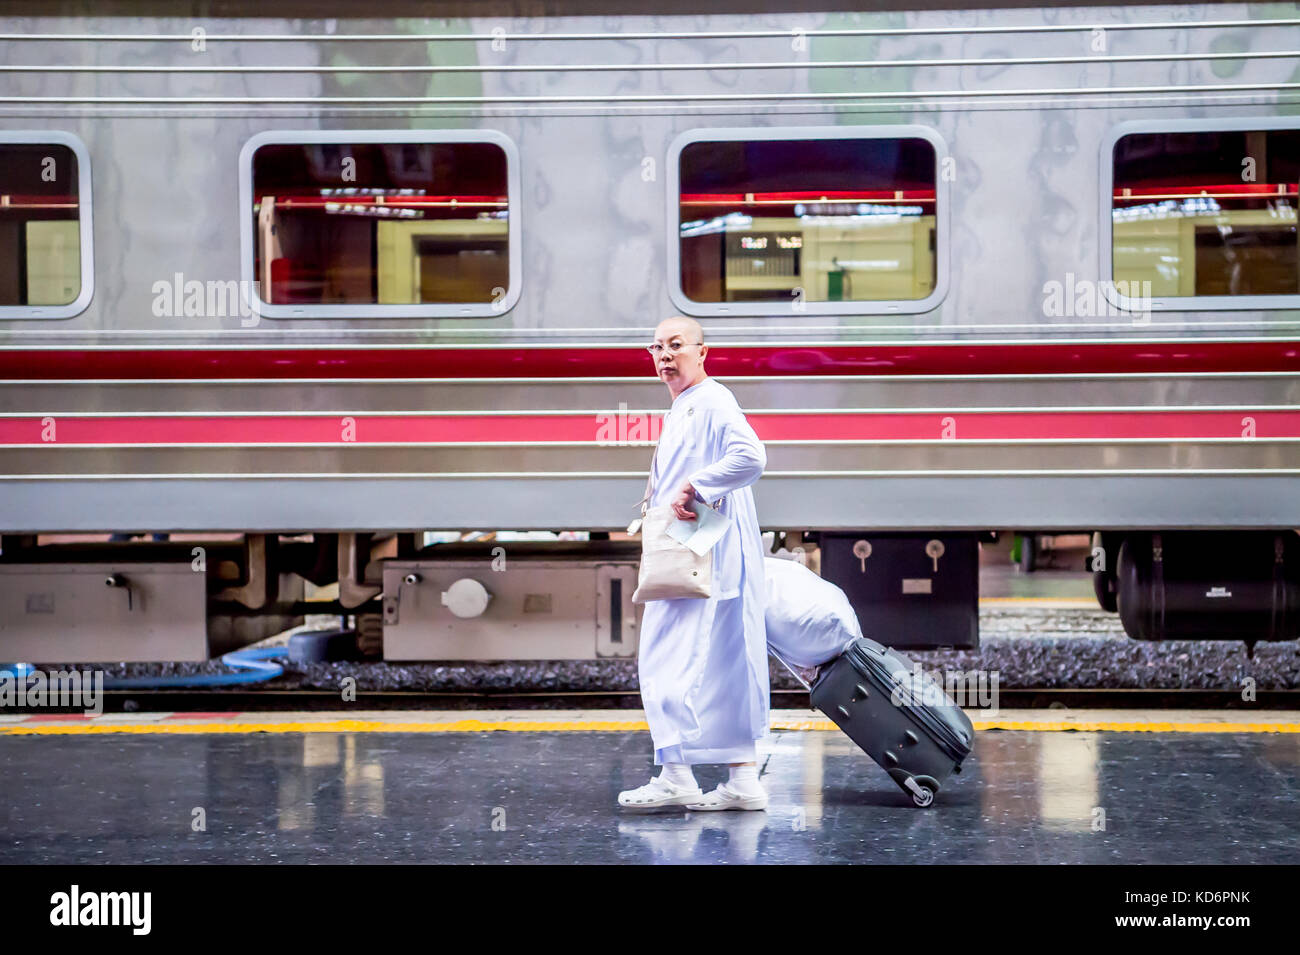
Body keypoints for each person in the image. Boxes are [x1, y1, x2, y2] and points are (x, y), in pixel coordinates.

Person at [618, 316, 771, 812]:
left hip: (698, 546)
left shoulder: (711, 399)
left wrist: (696, 486)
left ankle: (677, 774)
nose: (664, 356)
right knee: (725, 657)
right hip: (710, 546)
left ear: (703, 351)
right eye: (656, 347)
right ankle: (742, 780)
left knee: (663, 654)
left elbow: (752, 458)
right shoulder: (689, 404)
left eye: (676, 345)